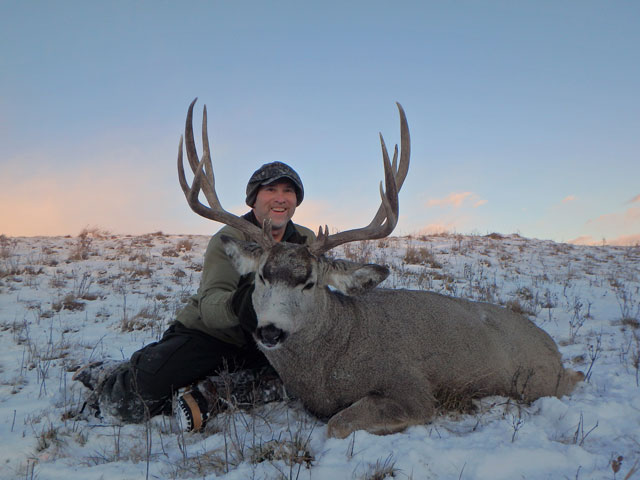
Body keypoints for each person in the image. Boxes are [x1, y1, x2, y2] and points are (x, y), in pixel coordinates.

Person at [73, 161, 315, 431]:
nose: (280, 198)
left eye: (288, 191)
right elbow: (211, 307)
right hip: (213, 335)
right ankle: (111, 374)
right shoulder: (230, 238)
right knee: (142, 393)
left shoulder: (306, 241)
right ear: (253, 199)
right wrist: (245, 304)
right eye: (271, 190)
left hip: (272, 340)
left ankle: (211, 393)